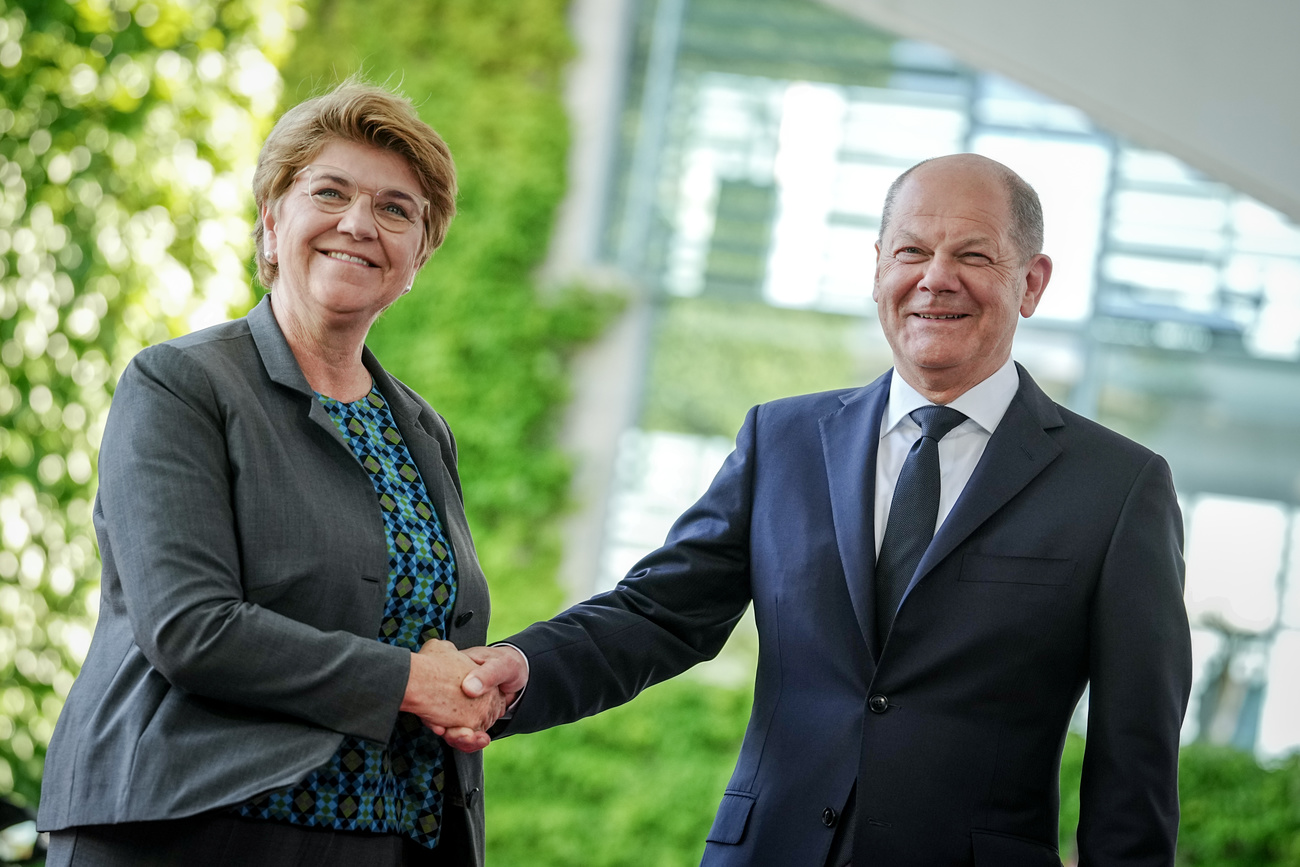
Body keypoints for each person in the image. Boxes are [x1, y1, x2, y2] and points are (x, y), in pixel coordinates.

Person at [458, 154, 1194, 866]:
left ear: (1031, 283)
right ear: (878, 267)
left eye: (973, 255)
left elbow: (1136, 750)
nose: (936, 278)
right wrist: (521, 665)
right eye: (912, 250)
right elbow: (658, 613)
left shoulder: (1119, 487)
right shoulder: (782, 438)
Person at [37, 80, 510, 866]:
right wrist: (404, 680)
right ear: (272, 218)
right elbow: (191, 628)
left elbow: (436, 639)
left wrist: (468, 685)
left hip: (385, 842)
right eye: (331, 192)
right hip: (189, 830)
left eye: (396, 209)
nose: (359, 223)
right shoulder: (179, 384)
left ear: (418, 256)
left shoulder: (423, 430)